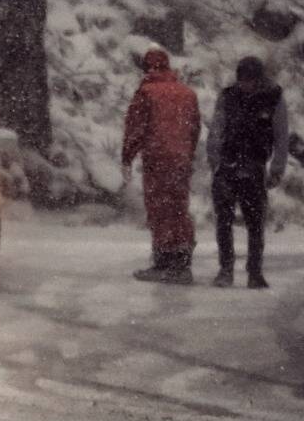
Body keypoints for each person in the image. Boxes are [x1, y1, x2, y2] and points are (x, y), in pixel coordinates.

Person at [121, 48, 201, 284]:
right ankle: (183, 260)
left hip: (158, 158)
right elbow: (194, 128)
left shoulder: (147, 93)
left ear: (147, 68)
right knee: (179, 207)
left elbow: (136, 128)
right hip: (181, 159)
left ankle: (164, 260)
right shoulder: (187, 93)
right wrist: (187, 153)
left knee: (160, 208)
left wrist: (127, 157)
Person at [209, 56, 290, 290]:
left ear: (259, 79)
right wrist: (215, 161)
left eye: (249, 79)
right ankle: (225, 270)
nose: (245, 84)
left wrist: (277, 168)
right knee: (223, 221)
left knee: (255, 223)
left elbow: (281, 136)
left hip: (255, 167)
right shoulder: (228, 96)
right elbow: (216, 129)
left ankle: (255, 273)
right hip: (227, 164)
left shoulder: (273, 97)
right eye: (242, 79)